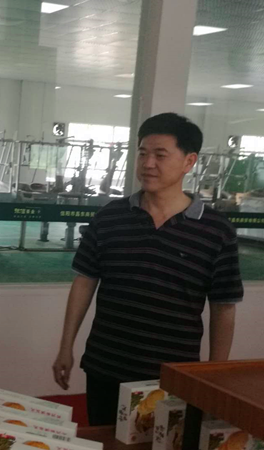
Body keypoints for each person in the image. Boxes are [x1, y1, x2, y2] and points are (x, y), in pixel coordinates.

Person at [52, 113, 243, 425]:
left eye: (160, 155)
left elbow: (223, 307)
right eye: (142, 153)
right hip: (106, 365)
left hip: (173, 374)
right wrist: (65, 347)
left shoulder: (215, 230)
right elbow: (84, 282)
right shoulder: (110, 217)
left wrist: (213, 374)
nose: (148, 163)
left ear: (189, 161)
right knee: (104, 439)